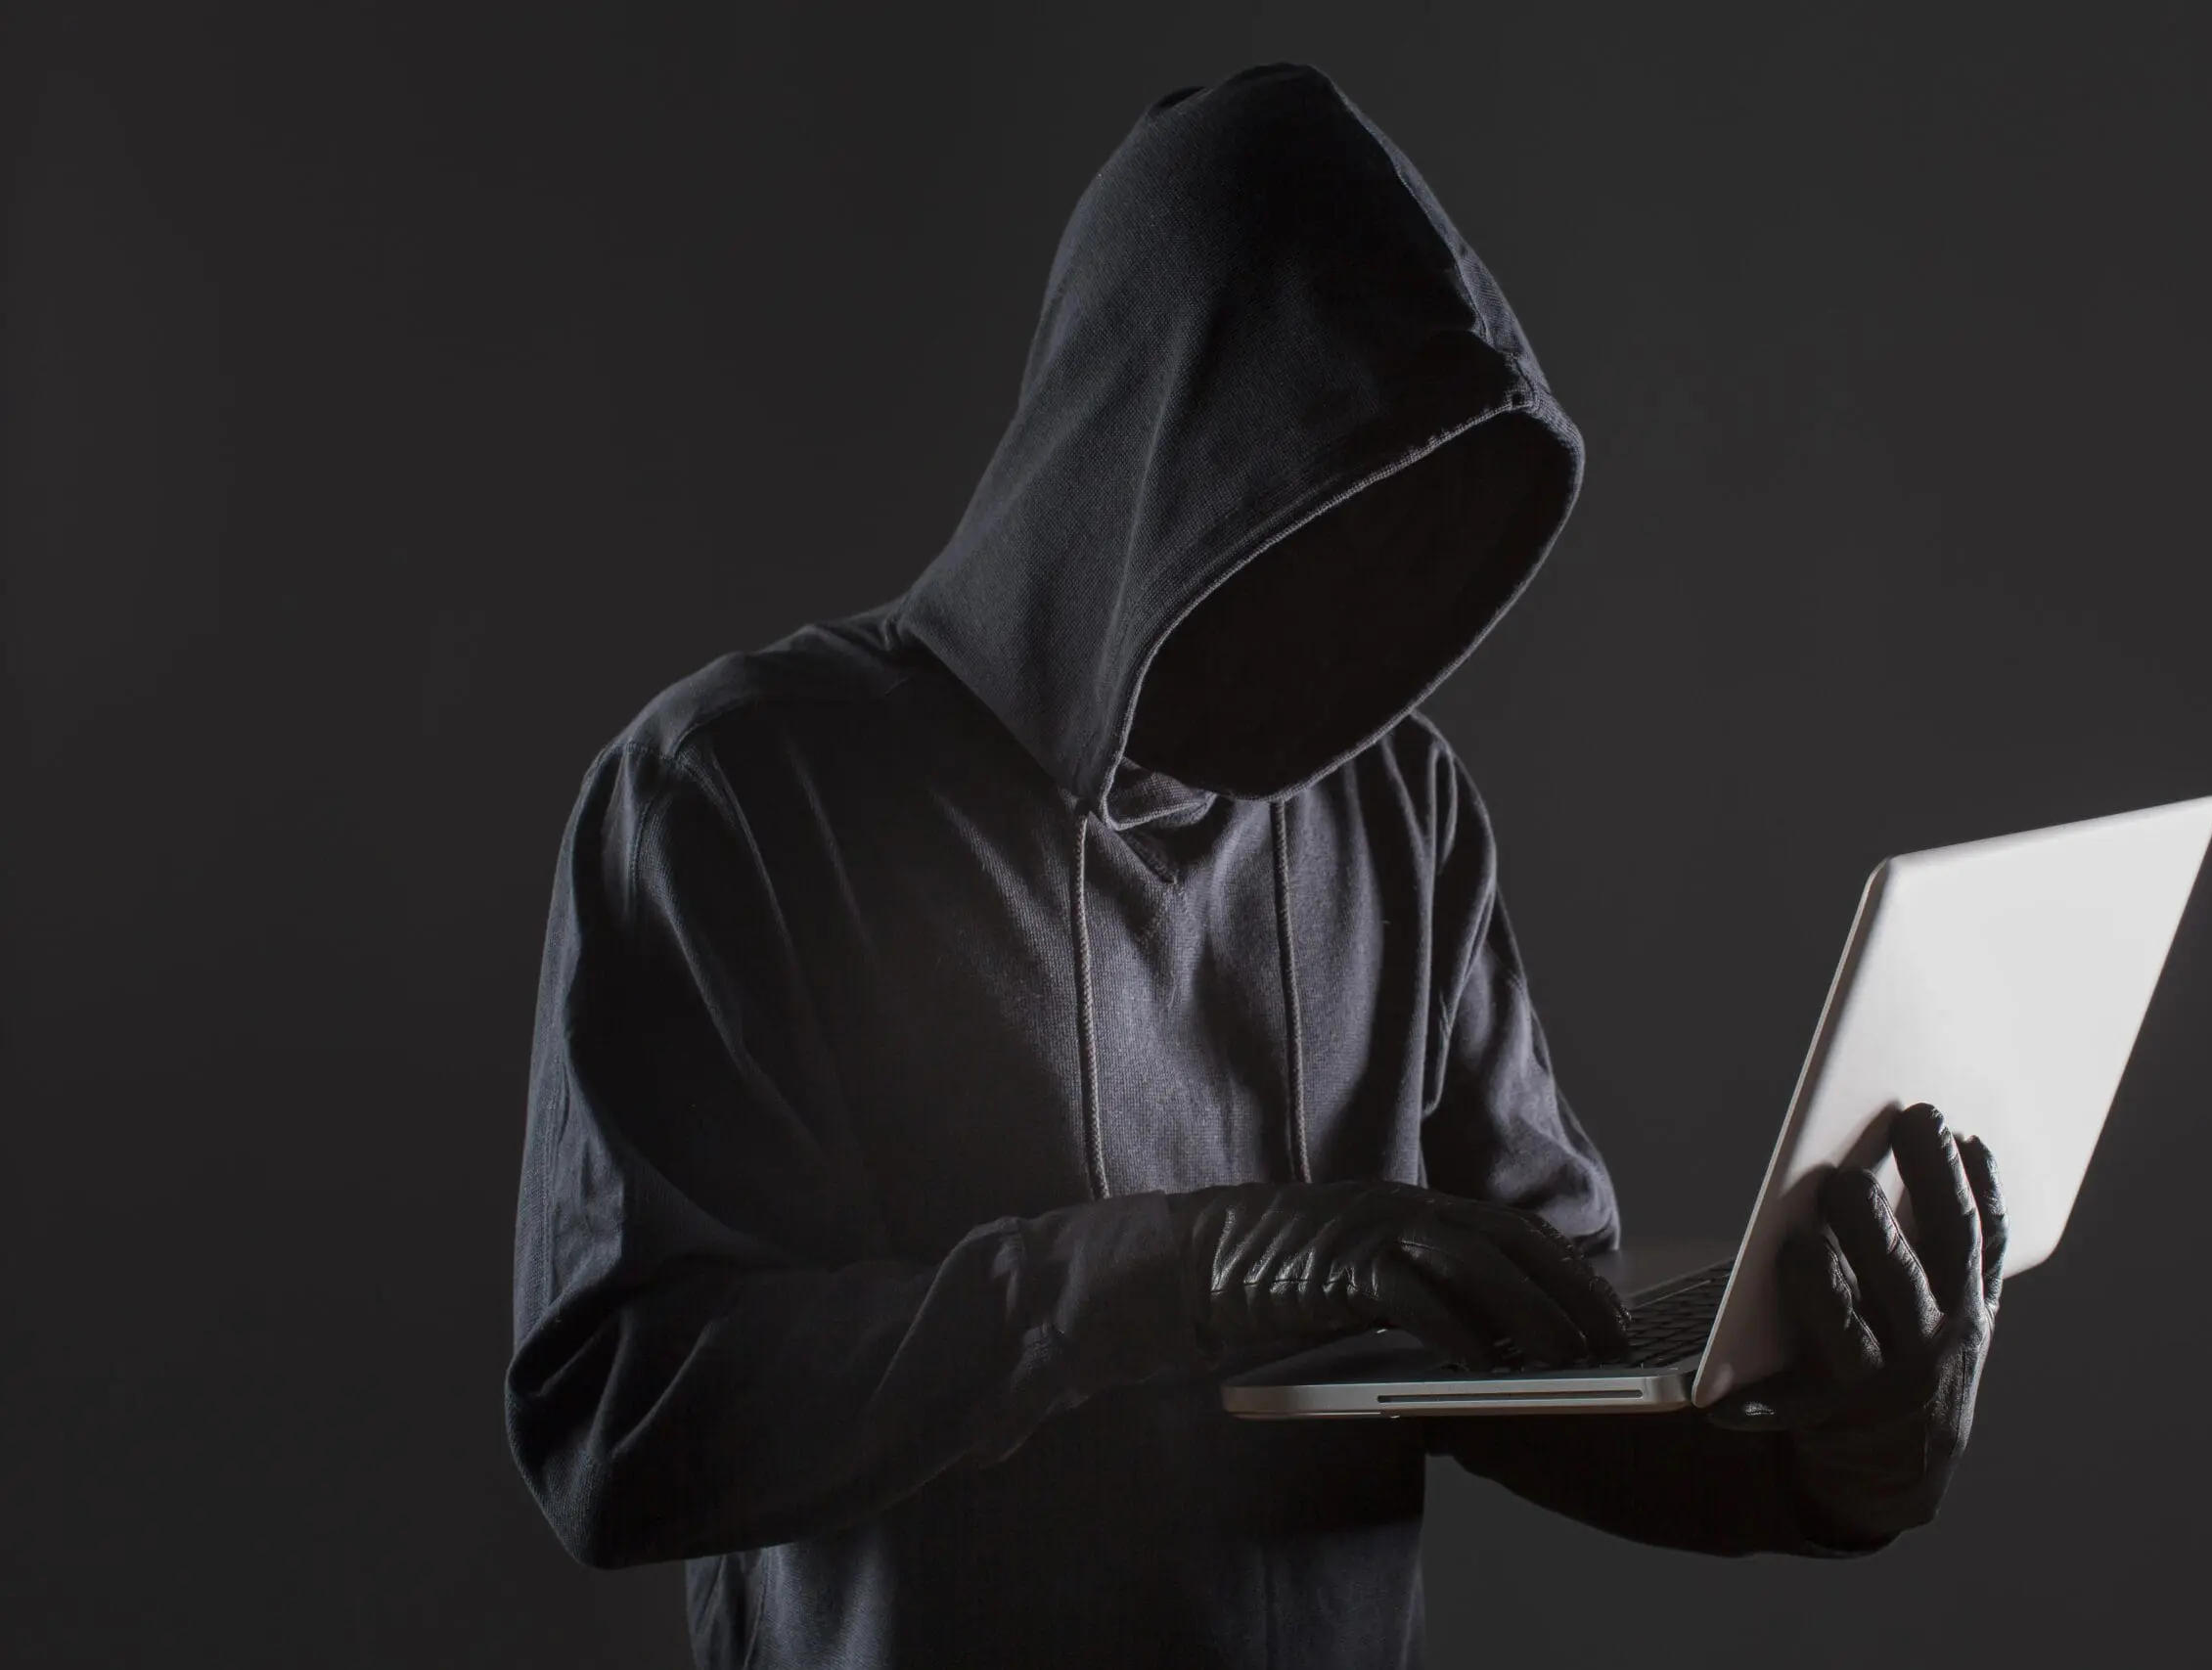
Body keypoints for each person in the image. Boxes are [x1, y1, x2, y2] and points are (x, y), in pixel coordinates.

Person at [505, 62, 2008, 1670]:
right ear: (1139, 455)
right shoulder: (730, 797)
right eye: (1312, 508)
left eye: (1407, 524)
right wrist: (1174, 1275)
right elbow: (618, 1419)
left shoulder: (1399, 810)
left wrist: (1825, 1460)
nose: (1363, 606)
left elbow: (1537, 1361)